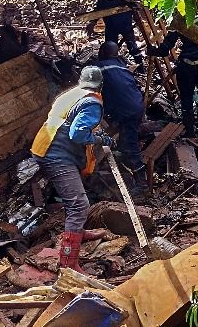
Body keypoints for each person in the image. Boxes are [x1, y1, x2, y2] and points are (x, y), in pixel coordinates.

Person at [30, 66, 114, 272]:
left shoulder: (72, 94)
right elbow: (77, 134)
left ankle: (78, 231)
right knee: (78, 204)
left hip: (43, 145)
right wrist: (97, 138)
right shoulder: (92, 102)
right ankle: (68, 262)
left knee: (73, 198)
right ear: (101, 85)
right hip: (56, 154)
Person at [148, 25, 198, 142]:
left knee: (186, 98)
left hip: (187, 65)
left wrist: (151, 51)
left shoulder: (179, 20)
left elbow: (164, 50)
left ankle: (190, 131)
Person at [96, 41, 146, 191]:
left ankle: (142, 183)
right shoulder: (121, 65)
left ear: (103, 52)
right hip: (137, 105)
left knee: (130, 143)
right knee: (126, 139)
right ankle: (126, 166)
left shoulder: (100, 67)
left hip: (126, 110)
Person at [93, 0, 144, 68]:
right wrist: (93, 22)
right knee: (110, 50)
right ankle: (112, 69)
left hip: (124, 25)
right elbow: (99, 9)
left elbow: (134, 5)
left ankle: (140, 69)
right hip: (113, 26)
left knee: (133, 48)